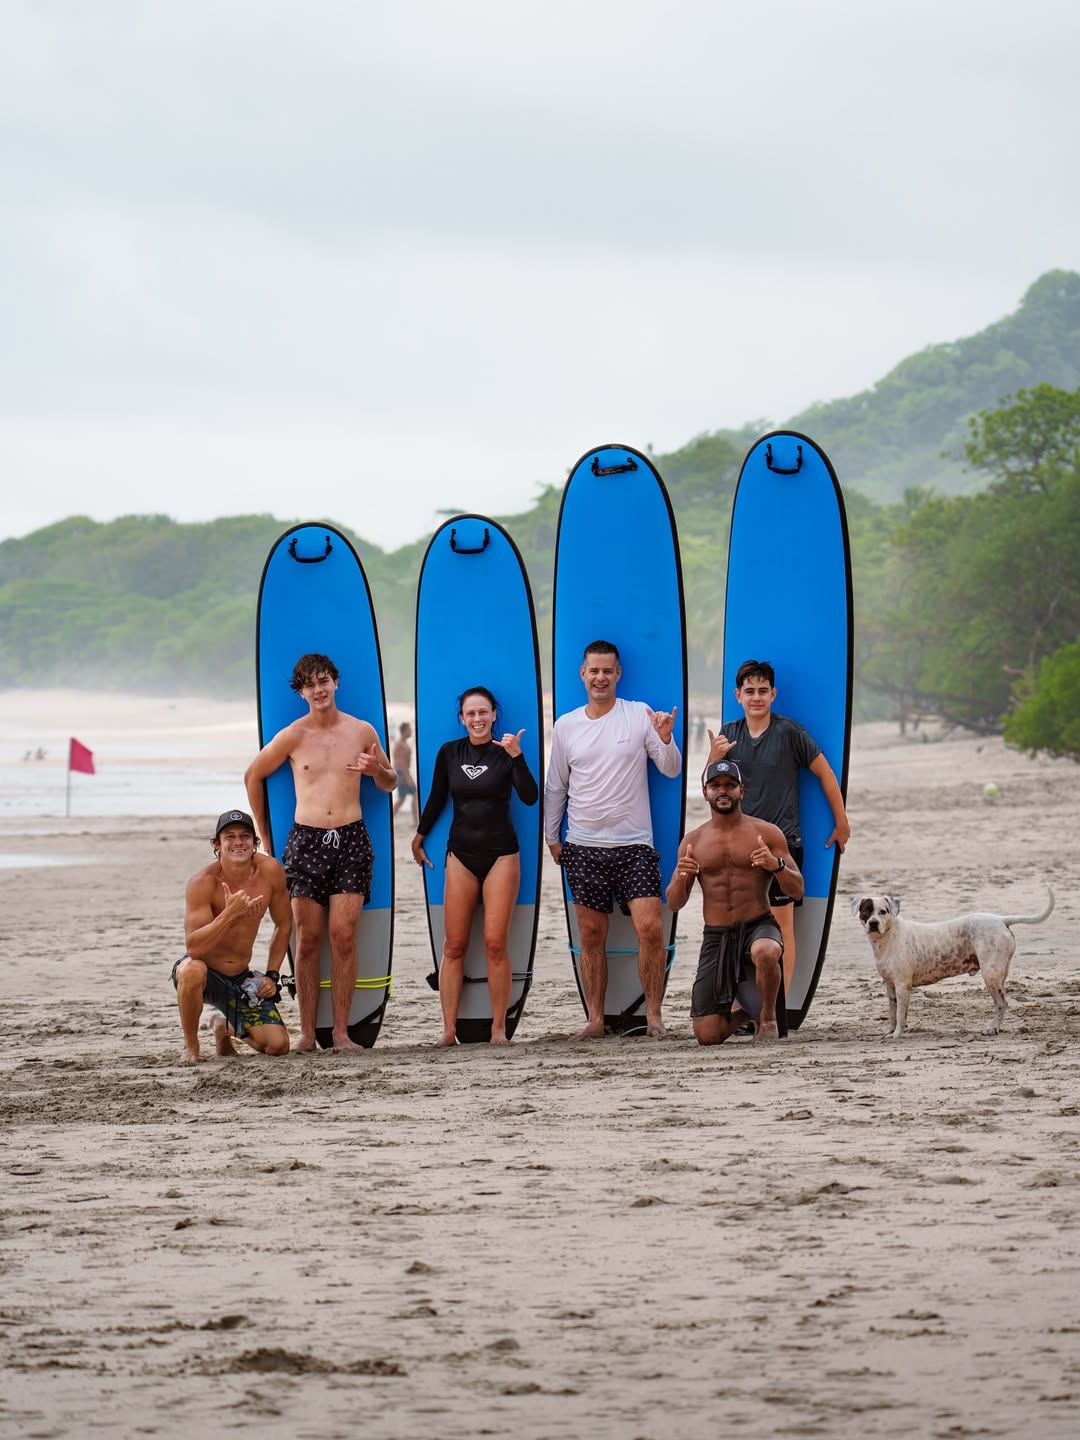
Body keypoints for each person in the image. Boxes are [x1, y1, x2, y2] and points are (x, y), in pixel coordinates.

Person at [244, 653, 397, 1052]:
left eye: (324, 681)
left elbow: (391, 781)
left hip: (351, 840)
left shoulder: (361, 730)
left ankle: (341, 1033)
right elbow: (253, 774)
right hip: (306, 841)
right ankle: (308, 1034)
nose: (318, 690)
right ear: (301, 692)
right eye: (310, 685)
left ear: (335, 682)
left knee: (343, 937)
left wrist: (376, 771)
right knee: (308, 940)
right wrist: (264, 835)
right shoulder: (293, 735)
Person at [544, 640, 681, 1039]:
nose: (600, 678)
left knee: (651, 929)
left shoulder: (638, 715)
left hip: (635, 846)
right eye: (594, 671)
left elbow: (671, 770)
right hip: (583, 845)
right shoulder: (566, 725)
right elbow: (556, 787)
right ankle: (595, 1019)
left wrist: (666, 739)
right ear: (582, 674)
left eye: (608, 671)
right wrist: (552, 838)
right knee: (591, 936)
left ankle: (654, 1015)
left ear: (618, 674)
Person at [707, 659, 849, 990]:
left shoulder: (790, 733)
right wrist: (713, 757)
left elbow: (826, 774)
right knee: (738, 926)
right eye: (749, 691)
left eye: (763, 691)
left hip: (782, 844)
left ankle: (778, 1006)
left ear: (773, 694)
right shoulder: (729, 734)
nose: (756, 697)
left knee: (782, 927)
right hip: (738, 846)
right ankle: (744, 1002)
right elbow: (712, 790)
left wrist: (842, 823)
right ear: (738, 695)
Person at [412, 687, 538, 1046]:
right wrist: (420, 836)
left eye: (484, 712)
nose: (478, 719)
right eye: (471, 713)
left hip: (501, 855)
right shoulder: (449, 752)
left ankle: (498, 1029)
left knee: (495, 944)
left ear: (494, 715)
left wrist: (517, 757)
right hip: (461, 855)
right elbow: (437, 798)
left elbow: (530, 797)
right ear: (462, 718)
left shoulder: (505, 753)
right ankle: (448, 1030)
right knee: (453, 946)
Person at [667, 760, 804, 1044]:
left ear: (741, 790)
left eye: (730, 785)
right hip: (717, 935)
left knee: (766, 950)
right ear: (705, 792)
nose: (723, 791)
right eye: (716, 786)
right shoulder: (693, 841)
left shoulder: (766, 833)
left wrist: (776, 865)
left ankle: (768, 1019)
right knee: (707, 1035)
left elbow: (797, 890)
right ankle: (747, 1012)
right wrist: (681, 877)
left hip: (758, 925)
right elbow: (674, 903)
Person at [173, 809, 292, 1064]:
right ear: (217, 844)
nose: (238, 842)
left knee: (278, 1046)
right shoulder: (203, 882)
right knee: (192, 969)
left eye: (244, 836)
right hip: (204, 973)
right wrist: (229, 914)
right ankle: (191, 1046)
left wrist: (272, 975)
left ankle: (223, 1025)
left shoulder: (271, 871)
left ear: (254, 842)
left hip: (239, 978)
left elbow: (284, 924)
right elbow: (194, 949)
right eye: (230, 837)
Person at [392, 721, 419, 821]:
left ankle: (416, 820)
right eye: (409, 729)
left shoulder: (403, 744)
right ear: (405, 731)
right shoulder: (401, 745)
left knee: (404, 798)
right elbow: (401, 763)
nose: (411, 731)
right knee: (405, 797)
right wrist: (408, 778)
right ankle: (416, 820)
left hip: (403, 773)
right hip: (402, 774)